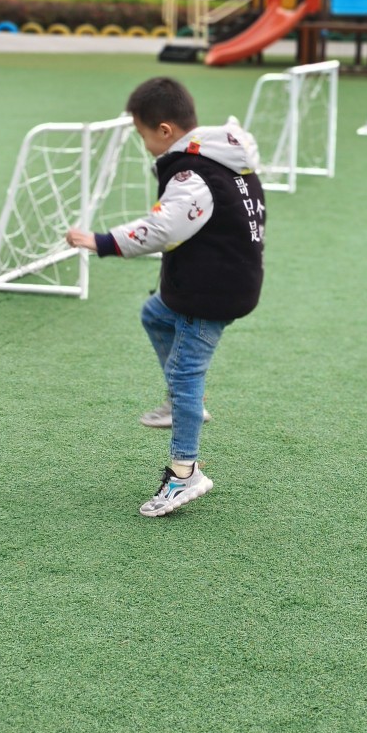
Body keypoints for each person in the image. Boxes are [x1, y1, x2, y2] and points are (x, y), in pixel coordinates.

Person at [66, 77, 266, 517]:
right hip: (216, 279)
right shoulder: (220, 154)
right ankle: (182, 401)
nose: (143, 146)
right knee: (154, 314)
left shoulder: (193, 176)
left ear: (164, 130)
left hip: (209, 292)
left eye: (142, 136)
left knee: (186, 373)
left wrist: (101, 241)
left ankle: (184, 473)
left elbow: (162, 229)